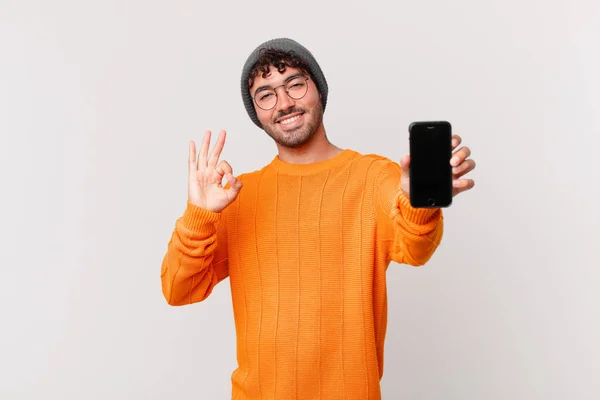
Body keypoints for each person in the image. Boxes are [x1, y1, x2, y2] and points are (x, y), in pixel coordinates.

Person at [160, 38, 476, 400]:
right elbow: (178, 289)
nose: (284, 103)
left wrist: (419, 202)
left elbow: (416, 249)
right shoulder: (236, 196)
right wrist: (199, 214)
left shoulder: (374, 177)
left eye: (295, 83)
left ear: (319, 91)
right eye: (266, 94)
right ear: (256, 113)